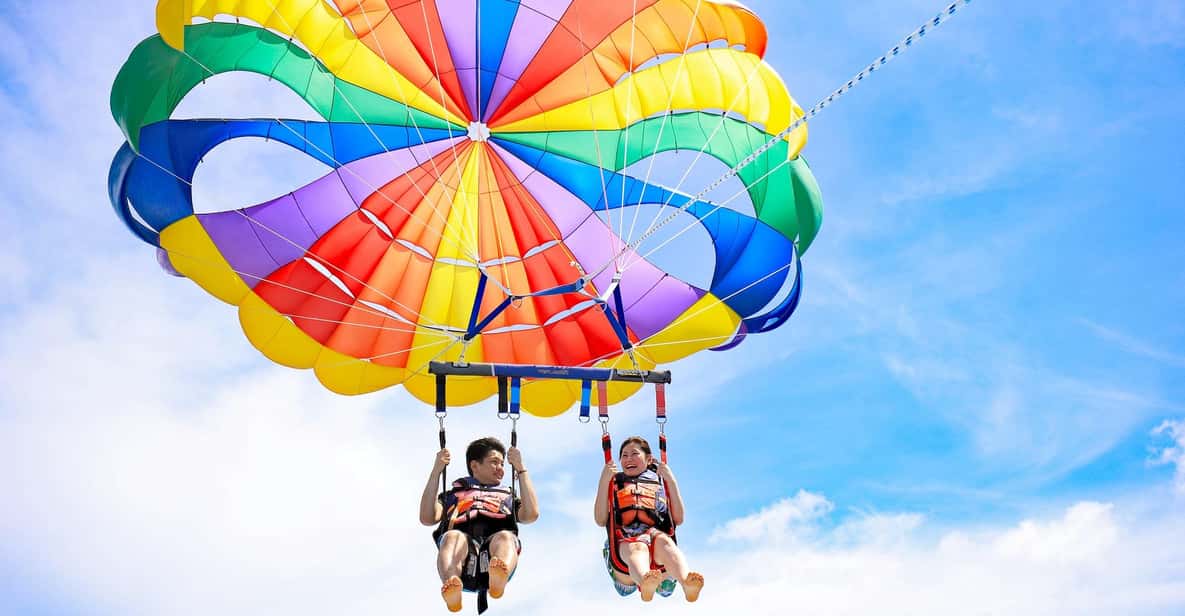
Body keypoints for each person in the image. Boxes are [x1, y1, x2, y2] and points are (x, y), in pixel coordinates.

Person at [420, 437, 539, 613]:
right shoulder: (453, 495)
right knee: (453, 537)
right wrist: (436, 471)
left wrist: (521, 469)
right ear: (475, 465)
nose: (500, 469)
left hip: (494, 553)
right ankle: (452, 585)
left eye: (502, 464)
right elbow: (427, 517)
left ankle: (498, 578)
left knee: (505, 537)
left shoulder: (507, 496)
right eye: (494, 462)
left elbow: (531, 514)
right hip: (464, 561)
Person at [594, 436, 704, 602]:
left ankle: (685, 582)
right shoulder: (614, 482)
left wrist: (671, 480)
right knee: (637, 548)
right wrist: (603, 481)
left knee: (666, 544)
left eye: (634, 454)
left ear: (649, 459)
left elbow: (678, 519)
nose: (628, 458)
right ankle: (645, 581)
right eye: (624, 455)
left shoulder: (659, 482)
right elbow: (601, 519)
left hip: (656, 543)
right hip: (626, 546)